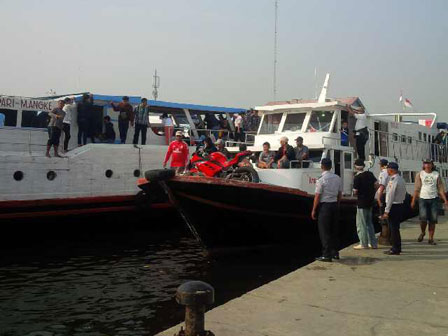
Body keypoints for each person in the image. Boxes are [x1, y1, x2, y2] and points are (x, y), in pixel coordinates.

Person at [311, 158, 343, 262]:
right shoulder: (337, 178)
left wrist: (314, 209)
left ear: (322, 167)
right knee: (334, 230)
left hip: (325, 206)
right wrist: (337, 204)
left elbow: (317, 196)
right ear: (331, 166)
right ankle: (335, 252)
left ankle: (326, 254)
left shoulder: (321, 179)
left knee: (324, 231)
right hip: (334, 205)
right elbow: (339, 194)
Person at [411, 159, 448, 245]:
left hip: (434, 198)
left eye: (429, 164)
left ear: (432, 165)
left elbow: (440, 188)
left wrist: (445, 200)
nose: (427, 165)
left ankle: (431, 239)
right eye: (425, 164)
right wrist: (413, 200)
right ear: (423, 165)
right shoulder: (420, 174)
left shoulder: (436, 174)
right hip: (423, 198)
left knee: (433, 220)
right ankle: (423, 232)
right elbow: (416, 188)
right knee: (423, 219)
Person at [352, 159, 378, 249]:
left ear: (355, 166)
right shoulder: (370, 174)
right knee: (369, 223)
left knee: (361, 223)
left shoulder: (357, 177)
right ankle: (373, 243)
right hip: (370, 201)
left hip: (361, 202)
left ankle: (363, 243)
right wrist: (373, 192)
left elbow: (355, 191)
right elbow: (377, 184)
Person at [382, 162, 406, 255]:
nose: (387, 171)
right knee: (395, 228)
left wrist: (386, 211)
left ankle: (395, 248)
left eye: (388, 169)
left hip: (394, 206)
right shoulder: (401, 179)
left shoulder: (394, 180)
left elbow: (391, 196)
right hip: (399, 204)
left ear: (391, 169)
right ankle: (397, 247)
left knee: (393, 229)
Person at [376, 158, 390, 244]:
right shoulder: (389, 172)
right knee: (388, 215)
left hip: (383, 195)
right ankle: (387, 236)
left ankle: (384, 237)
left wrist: (378, 197)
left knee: (383, 217)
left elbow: (382, 185)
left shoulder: (383, 173)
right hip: (389, 196)